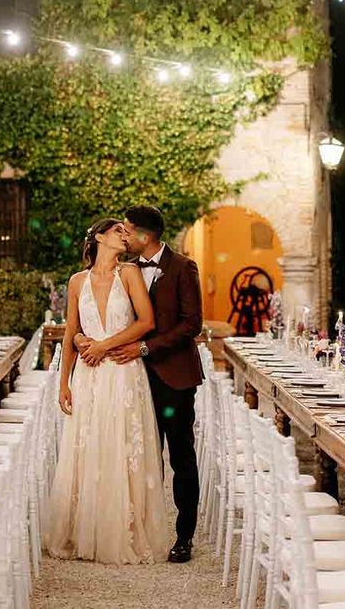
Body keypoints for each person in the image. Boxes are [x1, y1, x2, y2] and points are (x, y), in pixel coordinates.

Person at [77, 205, 204, 563]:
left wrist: (144, 347)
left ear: (144, 236)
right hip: (131, 377)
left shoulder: (182, 267)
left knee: (181, 456)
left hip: (173, 377)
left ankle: (184, 537)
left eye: (128, 230)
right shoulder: (124, 271)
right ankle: (144, 530)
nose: (124, 235)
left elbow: (190, 325)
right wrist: (82, 340)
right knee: (141, 459)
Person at [46, 218, 169, 564]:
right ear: (99, 237)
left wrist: (104, 345)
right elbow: (71, 330)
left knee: (121, 446)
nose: (124, 234)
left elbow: (146, 322)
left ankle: (122, 531)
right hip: (89, 375)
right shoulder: (76, 282)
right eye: (118, 230)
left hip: (123, 372)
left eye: (126, 231)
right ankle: (86, 529)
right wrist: (64, 382)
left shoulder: (129, 274)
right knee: (89, 446)